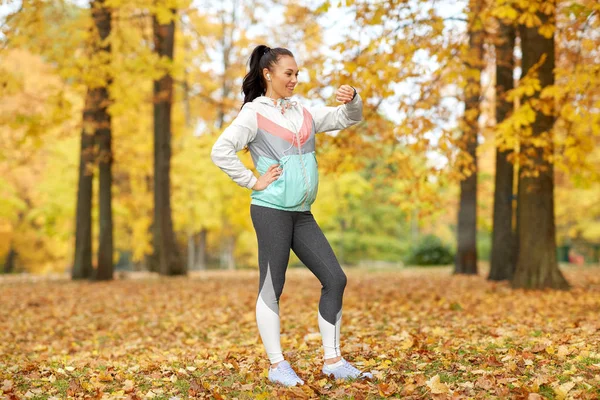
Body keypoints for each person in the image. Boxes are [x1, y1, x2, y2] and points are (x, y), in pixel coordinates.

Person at [211, 44, 373, 387]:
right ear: (267, 74)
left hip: (302, 214)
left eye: (297, 74)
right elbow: (220, 150)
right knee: (273, 285)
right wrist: (252, 181)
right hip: (270, 211)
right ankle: (277, 365)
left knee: (335, 279)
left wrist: (353, 97)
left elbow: (349, 117)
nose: (295, 80)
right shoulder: (254, 114)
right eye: (289, 73)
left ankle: (333, 360)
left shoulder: (304, 112)